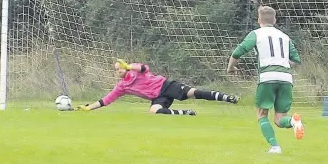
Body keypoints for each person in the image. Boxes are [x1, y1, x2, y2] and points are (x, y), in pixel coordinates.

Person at [227, 6, 304, 154]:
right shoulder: (284, 36)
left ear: (259, 20)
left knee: (262, 114)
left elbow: (238, 52)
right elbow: (296, 60)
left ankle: (275, 147)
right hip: (286, 78)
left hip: (267, 77)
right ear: (274, 20)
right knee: (279, 119)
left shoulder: (256, 34)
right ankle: (294, 121)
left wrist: (231, 68)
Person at [76, 59, 239, 115]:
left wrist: (130, 66)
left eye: (120, 68)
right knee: (154, 111)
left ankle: (227, 97)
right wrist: (89, 108)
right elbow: (107, 99)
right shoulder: (122, 86)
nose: (118, 71)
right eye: (116, 70)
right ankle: (184, 113)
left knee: (193, 92)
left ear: (125, 66)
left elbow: (144, 68)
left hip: (165, 86)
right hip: (157, 97)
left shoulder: (135, 69)